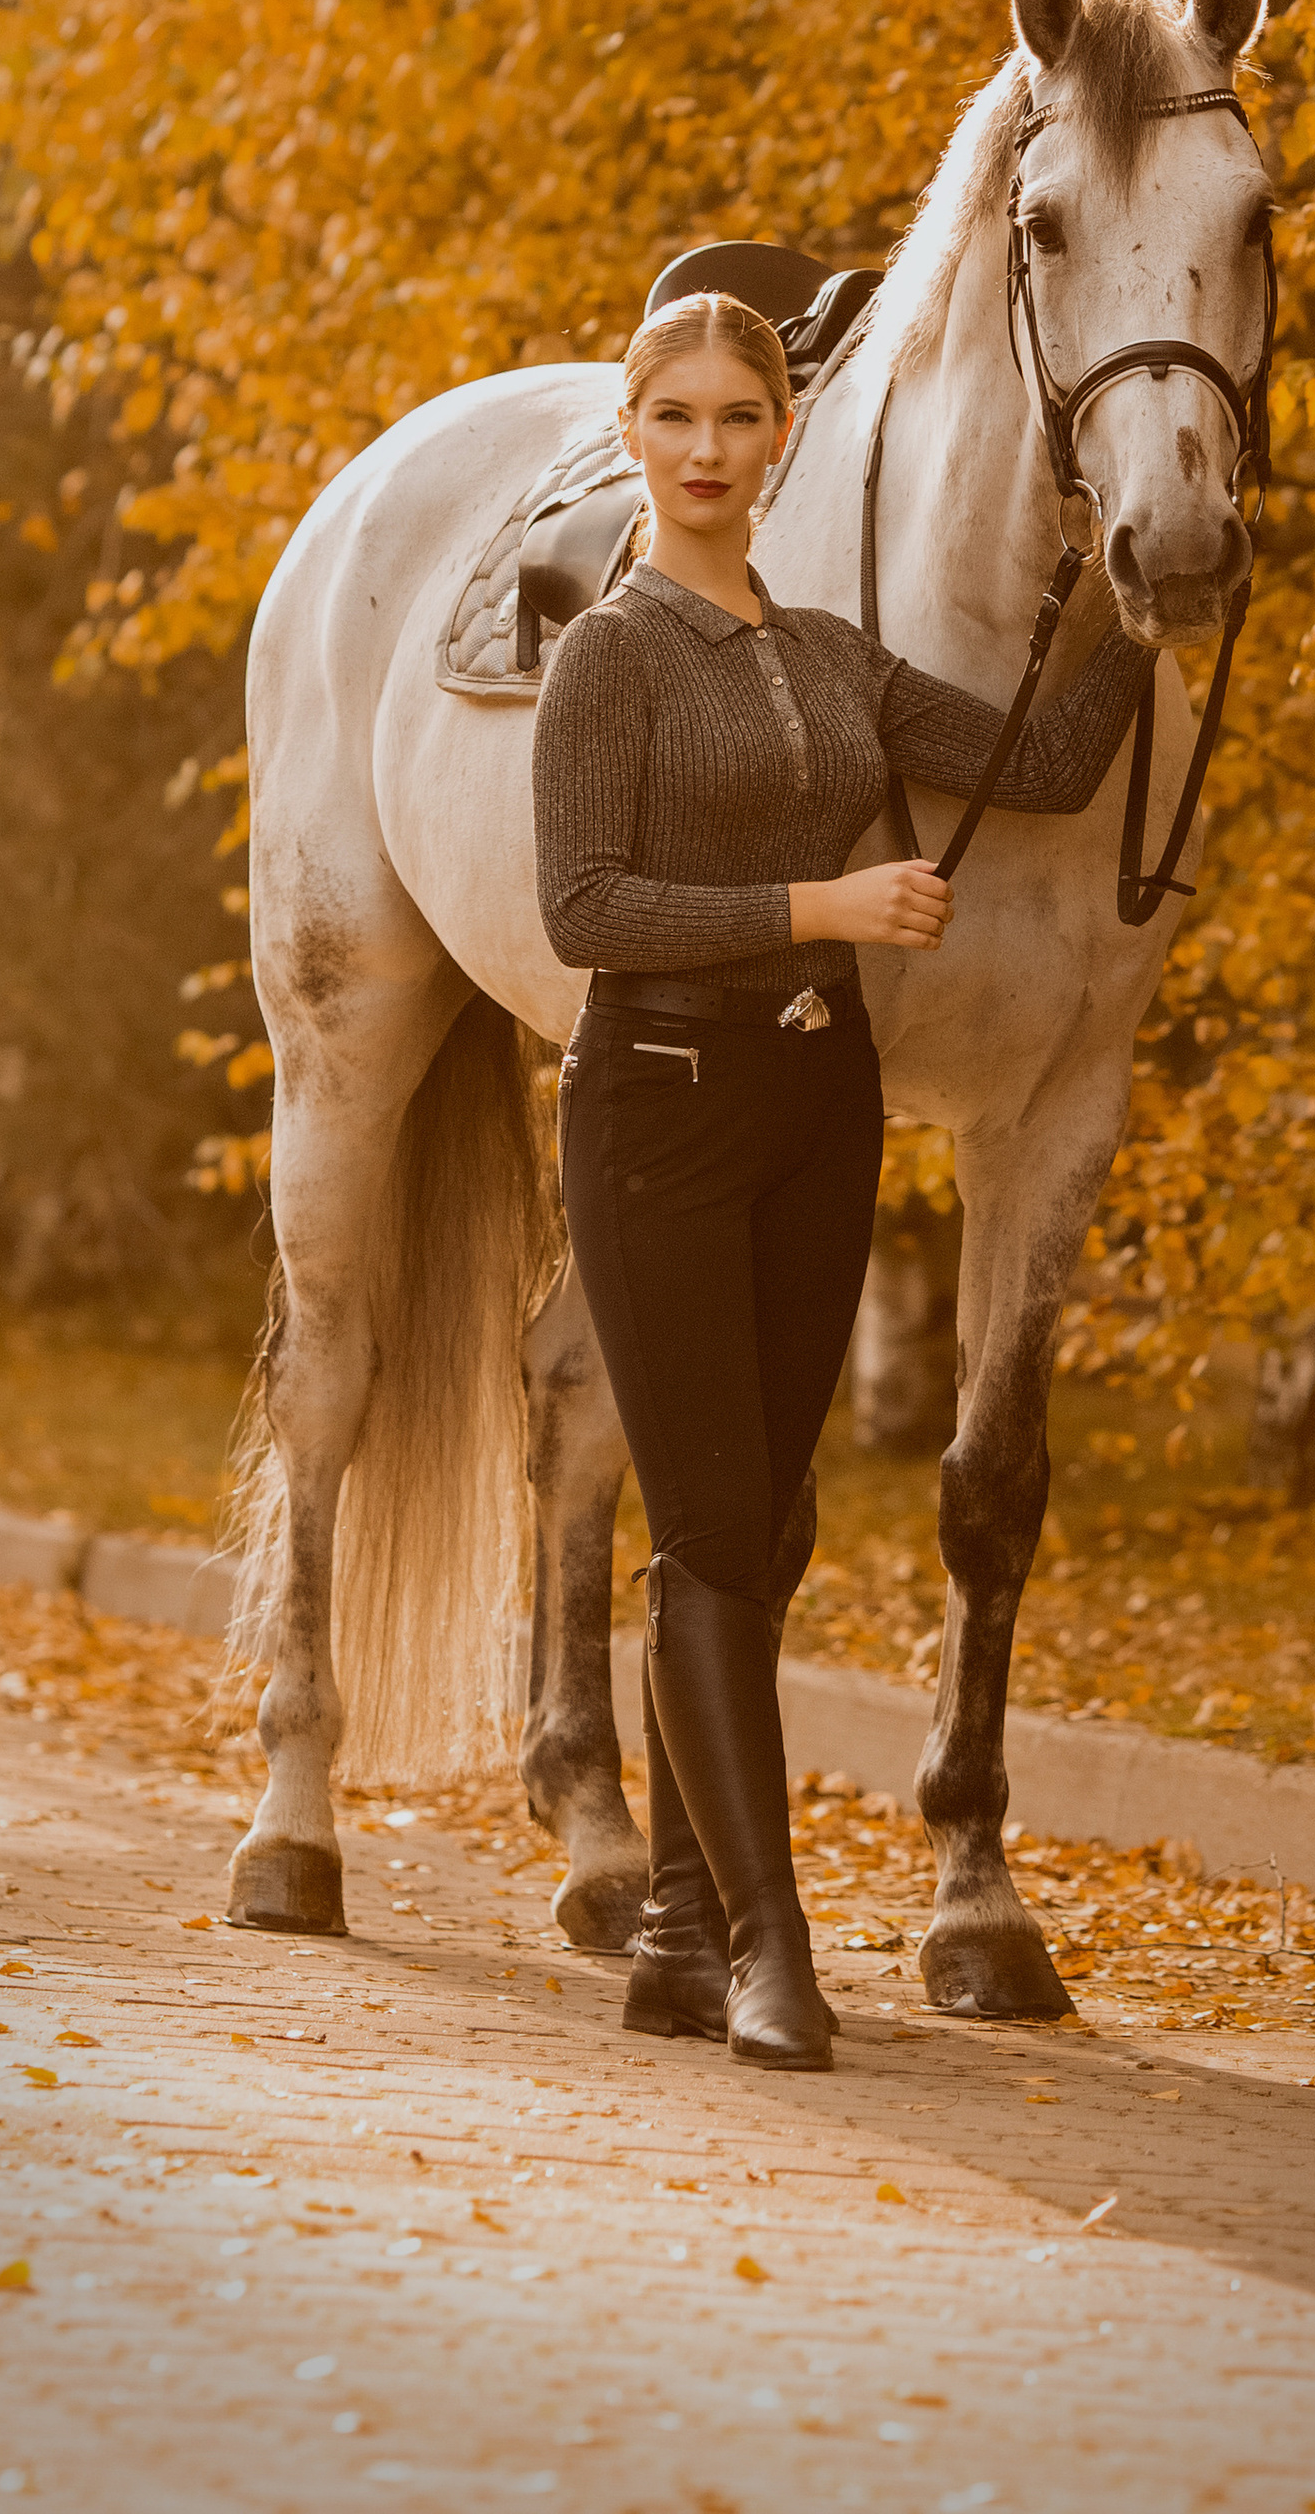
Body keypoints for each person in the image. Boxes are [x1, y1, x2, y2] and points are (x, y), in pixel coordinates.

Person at [530, 290, 1154, 2071]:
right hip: (657, 1104)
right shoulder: (609, 655)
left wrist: (1147, 578)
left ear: (780, 439)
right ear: (633, 438)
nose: (709, 449)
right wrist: (829, 905)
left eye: (741, 418)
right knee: (712, 1530)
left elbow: (1049, 766)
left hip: (819, 1107)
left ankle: (677, 1933)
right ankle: (768, 1947)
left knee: (755, 1534)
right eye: (676, 418)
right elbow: (584, 908)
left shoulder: (830, 657)